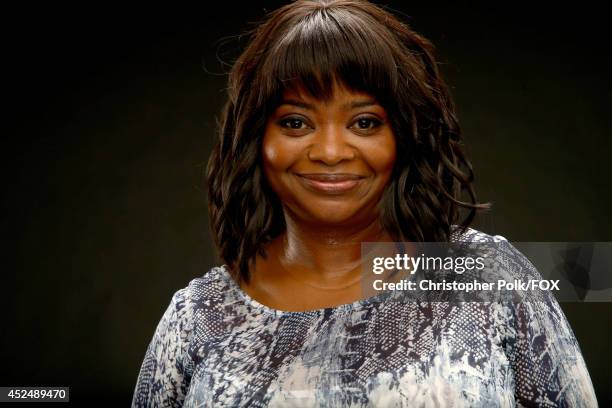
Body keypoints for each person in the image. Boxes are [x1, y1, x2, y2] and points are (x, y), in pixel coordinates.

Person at [132, 1, 598, 406]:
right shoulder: (199, 315)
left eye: (365, 122)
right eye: (295, 122)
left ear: (405, 135)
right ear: (257, 140)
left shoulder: (488, 278)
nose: (331, 151)